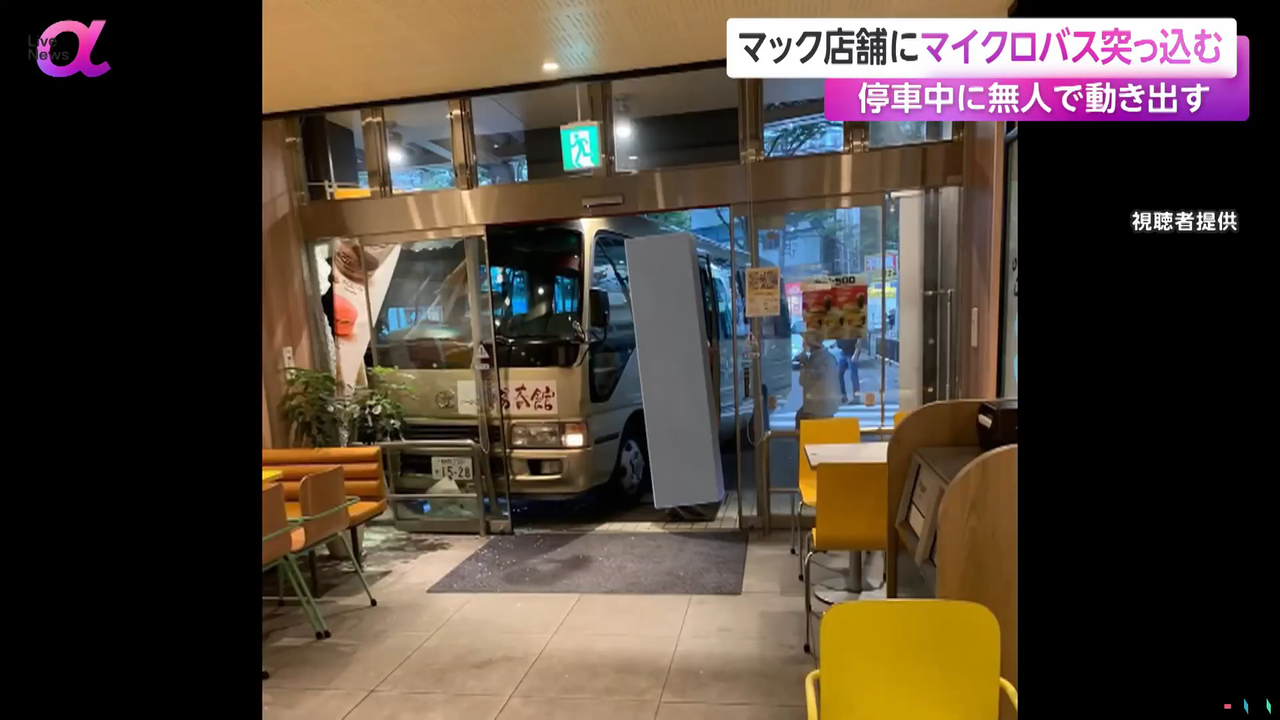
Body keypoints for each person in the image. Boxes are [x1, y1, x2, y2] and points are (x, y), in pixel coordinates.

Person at [796, 332, 841, 421]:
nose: (803, 343)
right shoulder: (826, 356)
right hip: (824, 406)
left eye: (805, 340)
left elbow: (804, 381)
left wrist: (804, 363)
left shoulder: (818, 359)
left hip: (819, 408)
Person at [836, 335, 862, 405]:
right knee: (839, 374)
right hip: (843, 352)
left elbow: (859, 339)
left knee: (853, 376)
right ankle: (843, 396)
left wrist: (856, 354)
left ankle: (856, 398)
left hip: (852, 352)